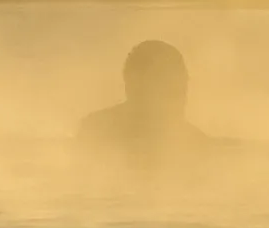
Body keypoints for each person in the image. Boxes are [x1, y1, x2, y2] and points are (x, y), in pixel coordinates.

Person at [76, 40, 208, 151]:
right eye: (168, 88)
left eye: (181, 86)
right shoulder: (97, 130)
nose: (181, 96)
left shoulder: (196, 144)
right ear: (134, 86)